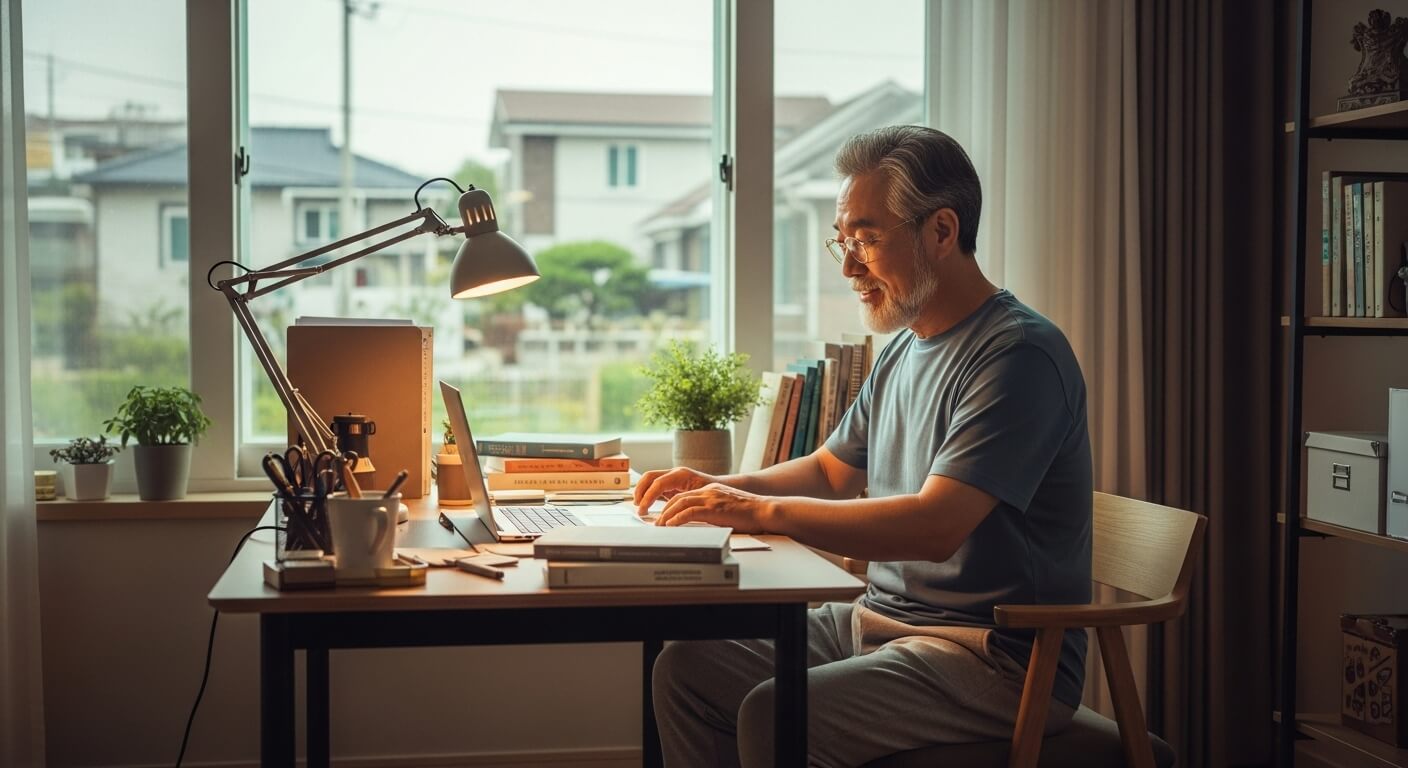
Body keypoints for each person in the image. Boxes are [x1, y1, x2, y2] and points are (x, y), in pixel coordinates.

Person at [633, 125, 1093, 768]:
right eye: (843, 241)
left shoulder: (1018, 355)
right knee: (686, 669)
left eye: (867, 240)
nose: (849, 267)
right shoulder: (905, 347)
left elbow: (936, 526)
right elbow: (831, 471)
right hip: (876, 621)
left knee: (774, 713)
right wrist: (719, 490)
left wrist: (758, 512)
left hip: (993, 658)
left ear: (941, 231)